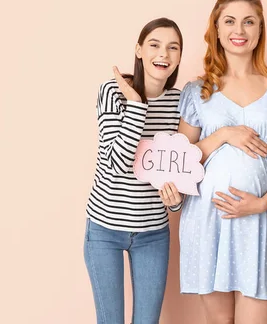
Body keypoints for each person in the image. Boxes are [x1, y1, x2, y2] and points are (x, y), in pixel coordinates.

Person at [178, 0, 267, 323]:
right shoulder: (196, 91)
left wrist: (264, 202)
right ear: (216, 30)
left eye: (249, 22)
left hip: (259, 219)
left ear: (260, 30)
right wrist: (222, 135)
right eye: (230, 21)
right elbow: (180, 163)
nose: (239, 30)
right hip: (207, 221)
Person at [84, 17, 185, 324]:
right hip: (104, 230)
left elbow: (179, 170)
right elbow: (116, 163)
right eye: (154, 45)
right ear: (139, 50)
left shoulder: (180, 102)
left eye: (173, 47)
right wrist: (137, 105)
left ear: (180, 56)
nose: (163, 54)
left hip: (153, 233)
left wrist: (175, 200)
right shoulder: (113, 92)